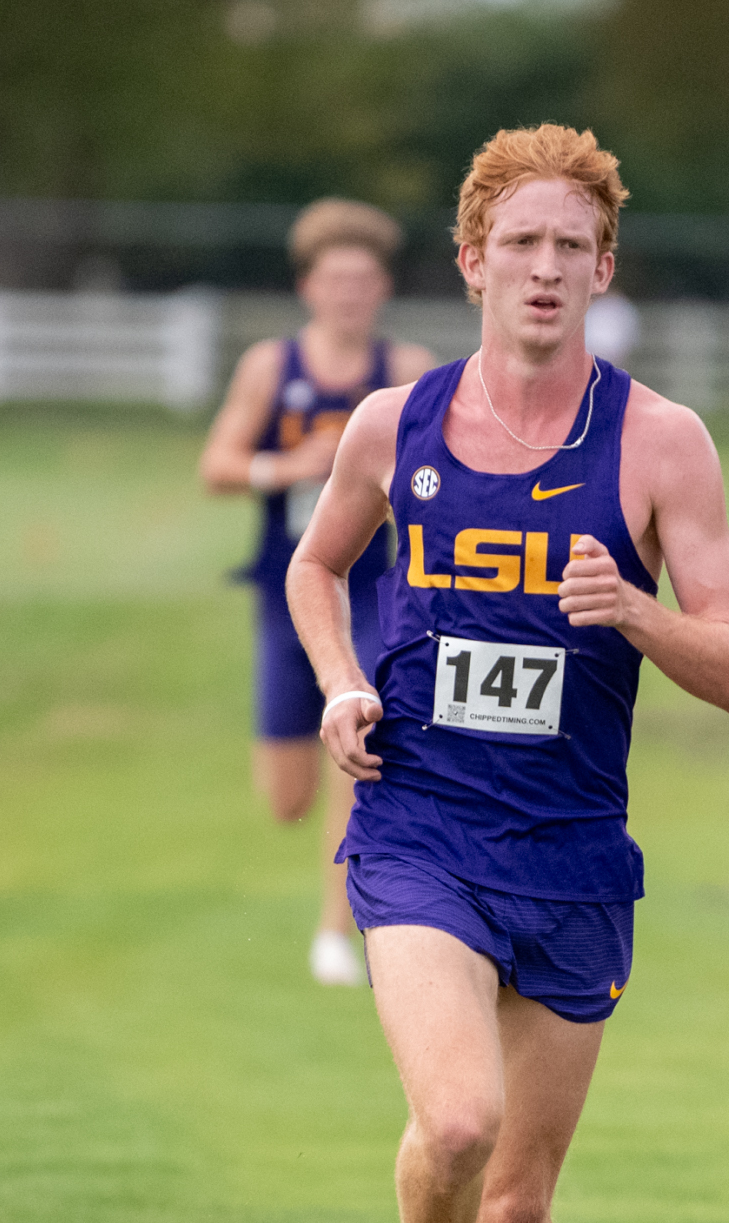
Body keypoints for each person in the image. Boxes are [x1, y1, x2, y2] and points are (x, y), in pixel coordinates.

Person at [287, 125, 729, 1223]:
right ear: (472, 259)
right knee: (460, 1123)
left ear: (604, 271)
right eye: (523, 243)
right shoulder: (394, 425)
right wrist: (339, 684)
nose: (547, 269)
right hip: (421, 825)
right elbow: (318, 568)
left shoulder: (660, 441)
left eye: (575, 248)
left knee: (526, 1199)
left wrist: (636, 613)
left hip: (569, 857)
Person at [199, 199, 434, 984]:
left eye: (364, 280)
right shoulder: (273, 368)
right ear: (308, 287)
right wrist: (291, 468)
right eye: (336, 279)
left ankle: (338, 931)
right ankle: (335, 911)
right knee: (287, 800)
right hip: (285, 587)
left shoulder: (405, 373)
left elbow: (442, 477)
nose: (349, 294)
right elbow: (217, 465)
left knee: (358, 747)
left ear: (383, 289)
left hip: (373, 591)